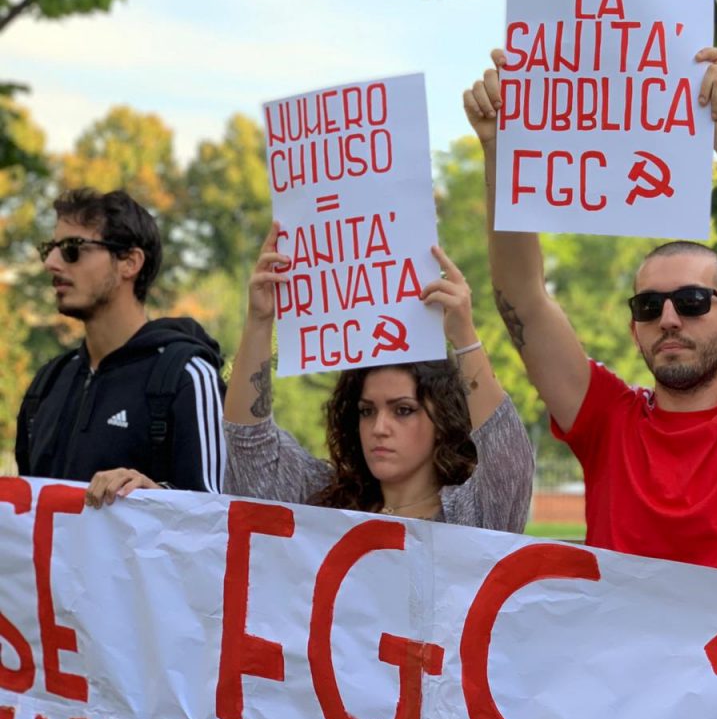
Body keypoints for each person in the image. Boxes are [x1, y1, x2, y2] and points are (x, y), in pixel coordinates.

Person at [462, 47, 717, 578]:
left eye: (693, 301)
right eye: (649, 306)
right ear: (635, 330)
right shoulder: (607, 422)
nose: (669, 319)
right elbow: (522, 298)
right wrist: (502, 149)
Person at [221, 225, 533, 532]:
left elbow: (507, 459)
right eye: (367, 411)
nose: (379, 428)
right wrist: (260, 321)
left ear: (442, 421)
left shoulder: (471, 517)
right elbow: (250, 445)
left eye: (403, 410)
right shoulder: (322, 503)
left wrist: (464, 337)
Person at [17, 188, 226, 506]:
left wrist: (155, 496)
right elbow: (27, 516)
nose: (51, 263)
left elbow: (217, 516)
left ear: (130, 262)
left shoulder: (187, 376)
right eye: (50, 248)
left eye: (72, 249)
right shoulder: (47, 384)